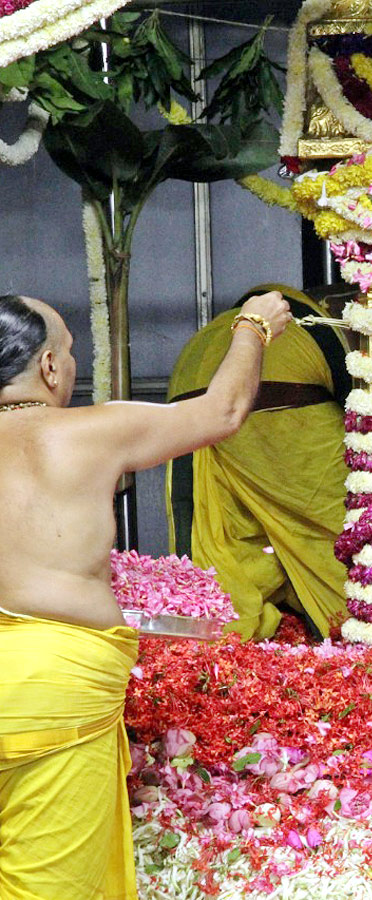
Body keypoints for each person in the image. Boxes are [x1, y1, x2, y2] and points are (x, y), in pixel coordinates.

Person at [0, 291, 290, 899]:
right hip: (51, 690)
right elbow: (223, 410)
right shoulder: (89, 430)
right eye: (70, 351)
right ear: (49, 367)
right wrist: (253, 326)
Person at [166, 284, 353, 641]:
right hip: (289, 425)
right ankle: (339, 620)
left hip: (201, 431)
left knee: (227, 544)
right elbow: (357, 403)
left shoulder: (206, 336)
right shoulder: (312, 324)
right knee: (321, 533)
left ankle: (226, 630)